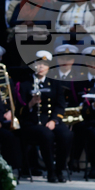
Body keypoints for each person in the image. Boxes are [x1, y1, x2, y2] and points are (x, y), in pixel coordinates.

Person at [16, 51, 72, 182]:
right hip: (32, 122)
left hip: (50, 120)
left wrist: (54, 120)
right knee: (46, 135)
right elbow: (18, 110)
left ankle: (59, 170)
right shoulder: (24, 84)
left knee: (66, 135)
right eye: (38, 63)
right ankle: (50, 171)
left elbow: (60, 105)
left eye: (44, 64)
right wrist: (31, 103)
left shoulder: (55, 83)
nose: (41, 67)